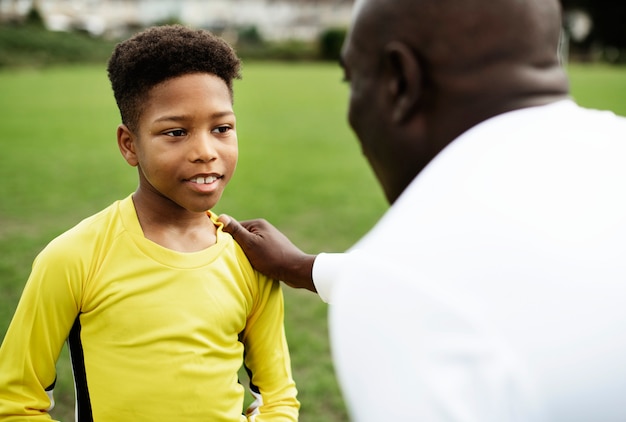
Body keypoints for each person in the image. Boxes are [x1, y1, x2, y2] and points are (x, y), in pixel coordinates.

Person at [218, 0, 626, 420]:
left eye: (351, 81)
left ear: (399, 82)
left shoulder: (408, 295)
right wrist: (306, 268)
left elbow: (420, 284)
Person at [0, 25, 299, 421]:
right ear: (130, 145)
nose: (206, 152)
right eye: (176, 132)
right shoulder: (73, 257)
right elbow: (15, 402)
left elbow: (277, 396)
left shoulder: (251, 260)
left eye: (222, 128)